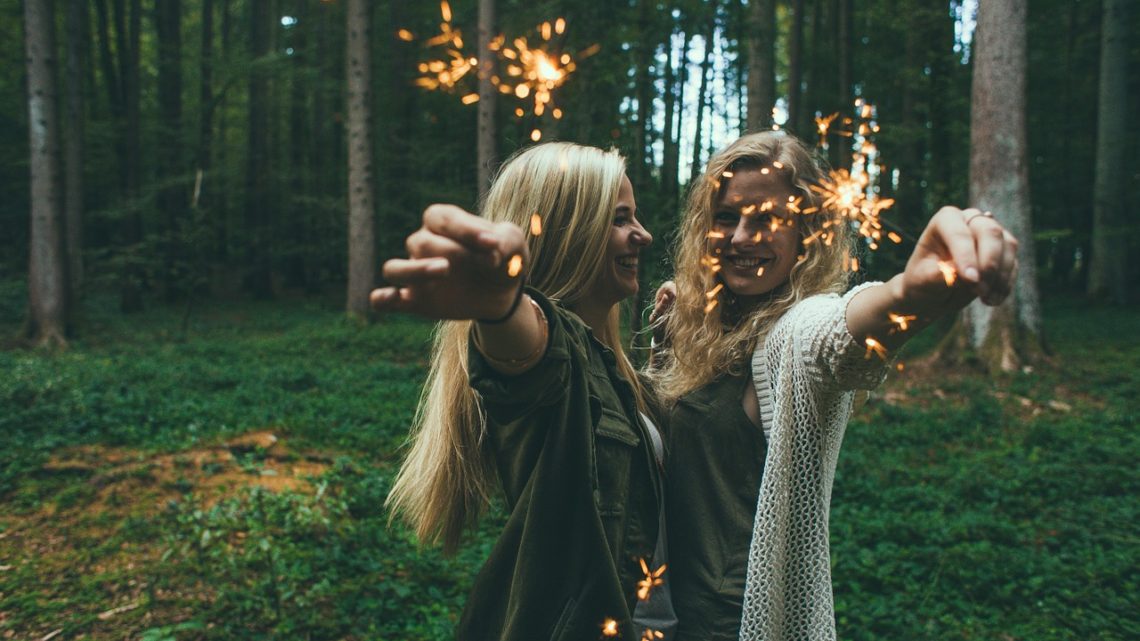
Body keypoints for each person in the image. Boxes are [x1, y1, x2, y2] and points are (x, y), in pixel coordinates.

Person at [647, 132, 1018, 641]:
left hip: (727, 622)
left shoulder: (794, 331)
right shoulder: (685, 320)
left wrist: (909, 294)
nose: (740, 238)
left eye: (767, 219)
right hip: (654, 609)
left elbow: (840, 333)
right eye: (728, 216)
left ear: (807, 232)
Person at [372, 142, 676, 641]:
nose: (641, 234)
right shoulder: (556, 349)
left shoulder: (611, 368)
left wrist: (666, 357)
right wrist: (498, 305)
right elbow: (526, 353)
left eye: (635, 217)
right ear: (569, 233)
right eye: (620, 219)